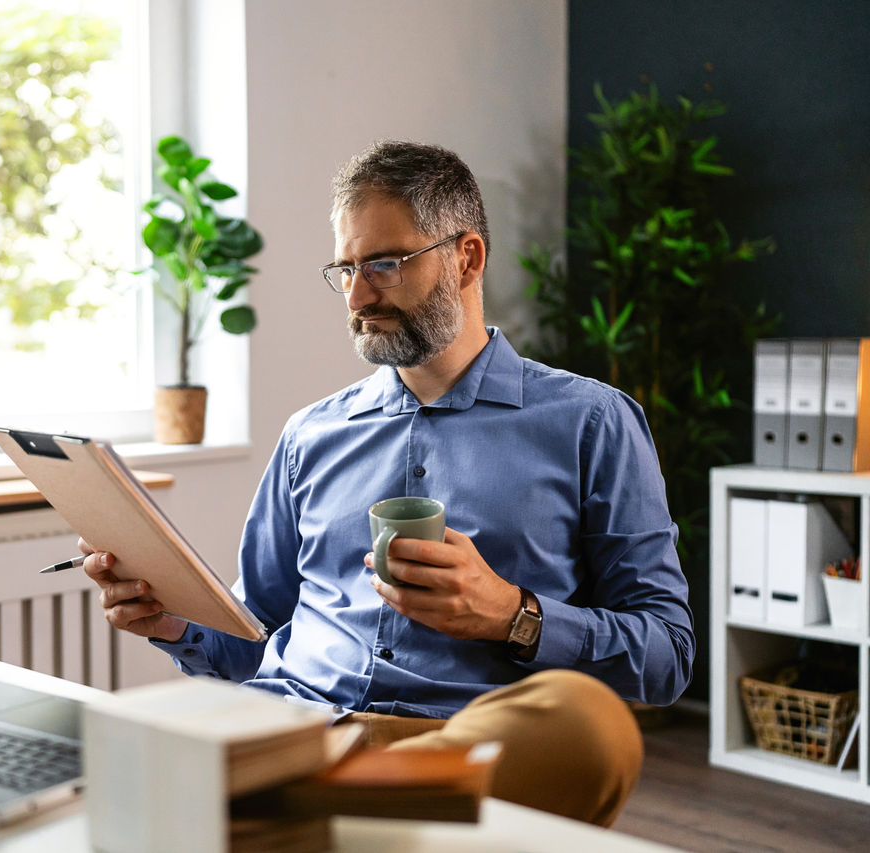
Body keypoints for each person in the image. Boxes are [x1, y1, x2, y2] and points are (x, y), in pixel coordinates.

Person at [81, 140, 695, 827]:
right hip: (301, 731)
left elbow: (666, 655)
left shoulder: (592, 422)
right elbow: (255, 643)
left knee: (587, 728)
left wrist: (510, 613)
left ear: (467, 257)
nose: (357, 292)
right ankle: (337, 810)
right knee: (112, 738)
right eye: (345, 267)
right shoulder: (309, 435)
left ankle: (334, 810)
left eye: (384, 263)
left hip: (467, 742)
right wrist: (172, 621)